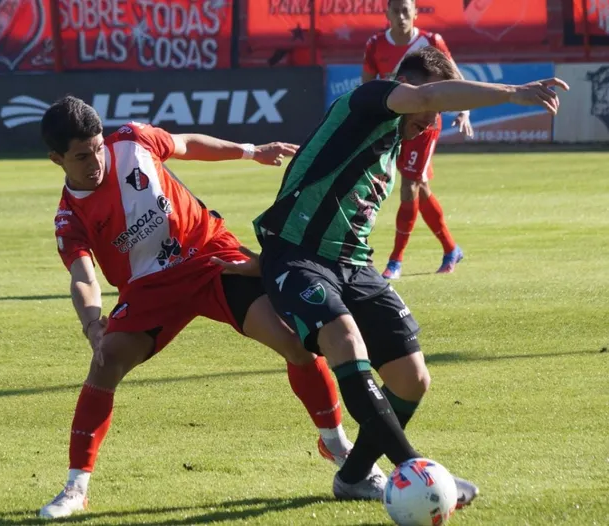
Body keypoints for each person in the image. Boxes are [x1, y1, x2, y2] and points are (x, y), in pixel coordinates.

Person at [217, 47, 567, 503]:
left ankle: (355, 477)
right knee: (344, 340)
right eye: (428, 111)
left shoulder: (391, 141)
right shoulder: (367, 100)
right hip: (299, 256)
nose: (428, 123)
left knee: (412, 379)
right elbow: (422, 100)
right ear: (410, 87)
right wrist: (514, 93)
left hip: (353, 264)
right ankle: (416, 470)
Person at [37, 96, 373, 519]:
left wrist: (252, 152)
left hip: (210, 257)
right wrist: (92, 326)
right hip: (150, 290)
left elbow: (188, 143)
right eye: (82, 156)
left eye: (98, 148)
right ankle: (75, 488)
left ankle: (336, 444)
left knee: (295, 341)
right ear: (57, 159)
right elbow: (83, 276)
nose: (96, 161)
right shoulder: (69, 217)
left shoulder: (135, 140)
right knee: (105, 364)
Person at [362, 0, 472, 279]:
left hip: (425, 123)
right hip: (396, 123)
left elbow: (454, 77)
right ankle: (451, 249)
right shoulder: (375, 44)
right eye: (395, 10)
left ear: (415, 13)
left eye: (405, 10)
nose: (400, 16)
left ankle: (395, 261)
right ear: (386, 13)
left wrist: (464, 110)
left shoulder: (430, 41)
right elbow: (368, 87)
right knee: (420, 186)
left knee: (409, 184)